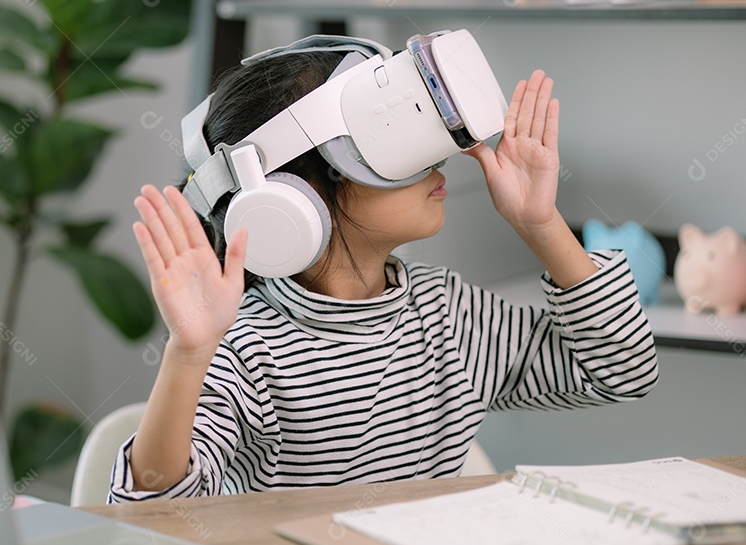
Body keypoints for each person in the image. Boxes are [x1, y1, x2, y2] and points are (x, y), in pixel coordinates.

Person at [108, 45, 658, 501]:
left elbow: (622, 372)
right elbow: (154, 510)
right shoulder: (247, 349)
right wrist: (188, 354)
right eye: (387, 146)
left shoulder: (447, 314)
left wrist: (540, 224)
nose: (436, 161)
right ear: (295, 194)